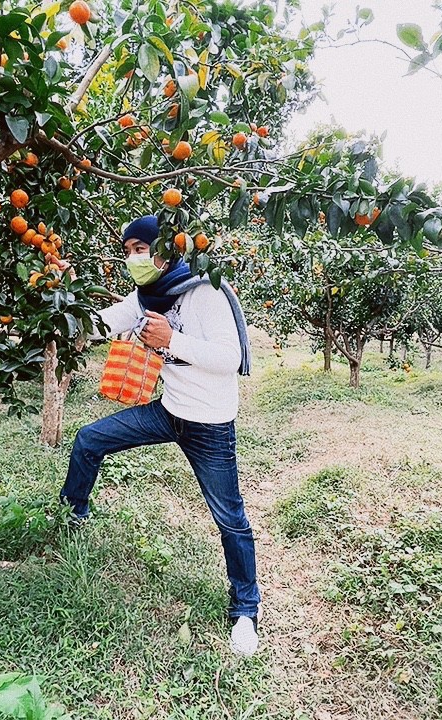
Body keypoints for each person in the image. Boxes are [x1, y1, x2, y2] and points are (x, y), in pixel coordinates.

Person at [58, 214, 260, 657]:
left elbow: (230, 358)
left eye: (140, 248)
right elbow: (105, 322)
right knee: (89, 440)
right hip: (168, 412)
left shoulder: (206, 290)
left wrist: (172, 339)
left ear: (165, 250)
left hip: (209, 424)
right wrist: (63, 304)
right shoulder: (147, 294)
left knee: (230, 519)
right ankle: (72, 517)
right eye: (128, 250)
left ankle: (246, 610)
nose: (133, 258)